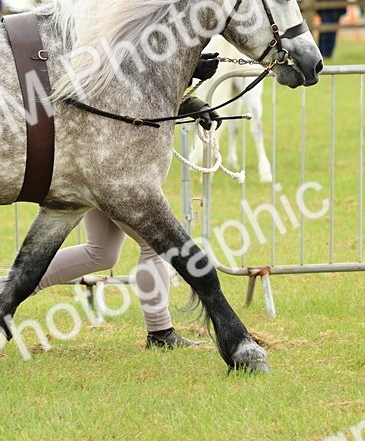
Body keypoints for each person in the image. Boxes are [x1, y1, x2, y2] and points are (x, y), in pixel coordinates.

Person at [32, 57, 224, 349]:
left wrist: (190, 98)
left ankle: (14, 288)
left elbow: (143, 86)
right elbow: (130, 86)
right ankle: (161, 333)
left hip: (101, 160)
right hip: (115, 167)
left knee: (102, 253)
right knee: (154, 245)